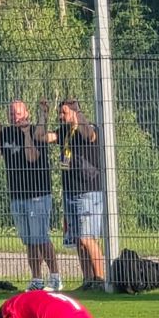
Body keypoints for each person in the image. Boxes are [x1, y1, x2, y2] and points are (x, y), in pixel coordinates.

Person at [0, 100, 62, 291]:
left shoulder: (37, 132)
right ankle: (36, 278)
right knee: (29, 240)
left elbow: (31, 157)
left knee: (41, 237)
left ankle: (55, 277)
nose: (15, 118)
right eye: (11, 114)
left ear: (26, 113)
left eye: (18, 114)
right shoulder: (5, 133)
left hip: (37, 194)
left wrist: (26, 133)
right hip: (17, 194)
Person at [45, 98, 105, 291]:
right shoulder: (63, 131)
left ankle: (101, 279)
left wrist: (78, 118)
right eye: (59, 113)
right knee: (78, 239)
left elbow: (90, 136)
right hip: (70, 190)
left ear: (74, 112)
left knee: (88, 238)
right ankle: (88, 279)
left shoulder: (89, 128)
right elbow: (43, 137)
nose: (60, 116)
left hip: (88, 190)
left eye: (64, 112)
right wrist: (42, 116)